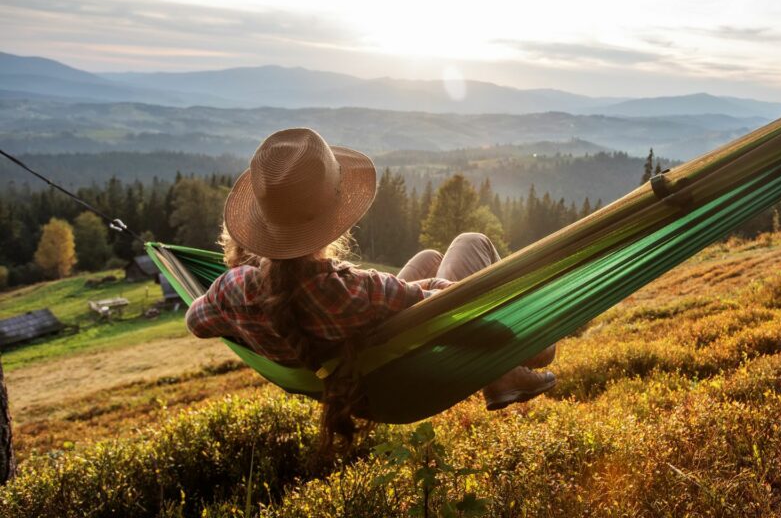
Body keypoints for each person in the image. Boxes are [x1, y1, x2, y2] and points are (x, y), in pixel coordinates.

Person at [185, 127, 556, 451]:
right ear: (335, 217)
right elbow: (452, 317)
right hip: (406, 372)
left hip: (359, 370)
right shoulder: (357, 291)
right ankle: (500, 375)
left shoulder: (231, 290)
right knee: (471, 242)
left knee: (428, 256)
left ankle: (501, 374)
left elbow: (196, 322)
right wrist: (524, 336)